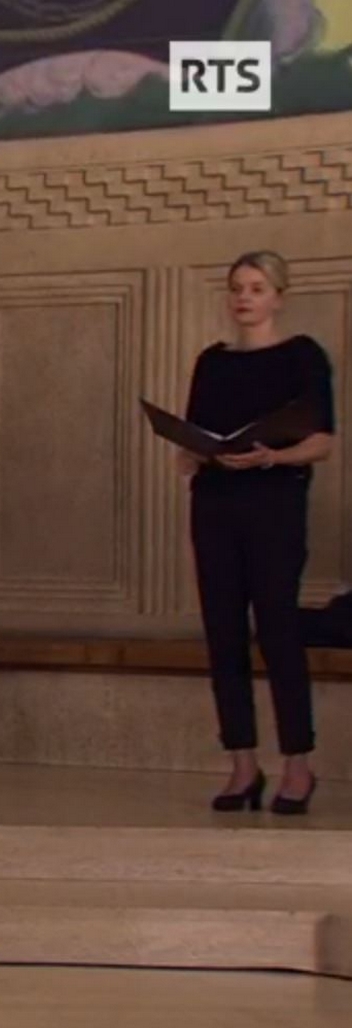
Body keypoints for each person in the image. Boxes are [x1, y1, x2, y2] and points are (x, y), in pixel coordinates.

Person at [181, 250, 332, 816]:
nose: (244, 297)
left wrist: (273, 456)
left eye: (257, 288)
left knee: (278, 629)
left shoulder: (302, 357)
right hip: (216, 503)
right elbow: (193, 439)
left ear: (278, 296)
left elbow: (322, 441)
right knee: (222, 631)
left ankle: (298, 762)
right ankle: (242, 763)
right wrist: (193, 455)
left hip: (275, 500)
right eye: (237, 288)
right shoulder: (212, 363)